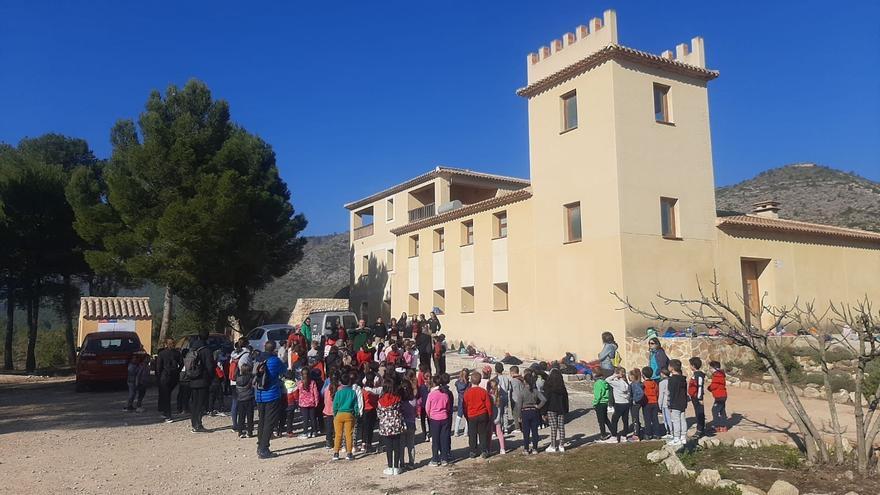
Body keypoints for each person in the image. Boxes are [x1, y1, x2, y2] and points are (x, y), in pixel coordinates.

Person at [254, 340, 285, 459]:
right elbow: (283, 370)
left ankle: (260, 444)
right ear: (274, 349)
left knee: (261, 420)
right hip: (272, 394)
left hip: (259, 394)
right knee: (269, 422)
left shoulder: (258, 359)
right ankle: (264, 448)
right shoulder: (274, 360)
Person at [187, 330, 216, 433]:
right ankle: (198, 425)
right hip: (203, 379)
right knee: (200, 403)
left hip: (193, 378)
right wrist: (212, 378)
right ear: (207, 337)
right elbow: (210, 366)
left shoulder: (192, 348)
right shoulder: (206, 350)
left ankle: (193, 423)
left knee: (194, 402)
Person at [377, 377, 405, 476]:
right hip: (396, 424)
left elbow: (379, 413)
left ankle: (390, 466)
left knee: (388, 446)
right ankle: (396, 467)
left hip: (385, 426)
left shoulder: (380, 400)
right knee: (397, 446)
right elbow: (401, 410)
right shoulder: (397, 398)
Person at [515, 370, 546, 454]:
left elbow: (519, 406)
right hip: (534, 411)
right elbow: (544, 399)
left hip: (525, 412)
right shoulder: (535, 391)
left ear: (524, 381)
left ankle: (526, 449)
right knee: (535, 431)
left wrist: (519, 416)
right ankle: (535, 448)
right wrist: (538, 406)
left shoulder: (522, 392)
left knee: (526, 432)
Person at [462, 370, 492, 458]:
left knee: (472, 434)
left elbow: (465, 406)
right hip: (482, 414)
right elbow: (488, 405)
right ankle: (484, 451)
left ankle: (473, 451)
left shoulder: (467, 392)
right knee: (482, 433)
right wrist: (489, 415)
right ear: (479, 381)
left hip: (472, 415)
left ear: (471, 380)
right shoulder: (483, 391)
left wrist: (466, 415)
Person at [425, 374, 452, 465]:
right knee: (444, 438)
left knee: (435, 439)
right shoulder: (445, 394)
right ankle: (444, 458)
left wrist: (430, 416)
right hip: (444, 417)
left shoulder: (431, 395)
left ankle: (435, 459)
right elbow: (448, 407)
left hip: (435, 419)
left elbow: (427, 408)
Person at [332, 373, 359, 461]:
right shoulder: (352, 393)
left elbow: (335, 405)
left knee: (338, 434)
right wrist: (356, 414)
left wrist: (335, 414)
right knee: (348, 434)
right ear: (349, 382)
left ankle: (336, 453)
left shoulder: (338, 393)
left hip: (339, 414)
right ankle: (349, 453)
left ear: (340, 382)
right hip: (349, 414)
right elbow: (355, 405)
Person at [155, 338, 182, 422]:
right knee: (168, 394)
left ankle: (167, 414)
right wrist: (178, 371)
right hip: (174, 376)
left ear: (166, 344)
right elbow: (181, 363)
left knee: (166, 396)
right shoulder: (177, 353)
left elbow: (158, 367)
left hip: (164, 376)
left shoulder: (162, 353)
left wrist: (158, 377)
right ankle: (165, 412)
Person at [543, 368, 569, 453]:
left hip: (551, 408)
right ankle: (561, 445)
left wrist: (543, 411)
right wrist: (566, 409)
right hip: (561, 409)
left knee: (553, 428)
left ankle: (553, 445)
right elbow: (565, 399)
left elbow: (546, 399)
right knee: (561, 427)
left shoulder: (548, 386)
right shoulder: (562, 387)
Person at [606, 366, 631, 443]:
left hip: (619, 403)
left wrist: (615, 375)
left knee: (614, 420)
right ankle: (624, 436)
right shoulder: (626, 383)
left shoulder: (617, 383)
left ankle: (614, 436)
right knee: (625, 420)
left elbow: (607, 380)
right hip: (626, 403)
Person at [667, 359, 689, 446]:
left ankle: (676, 438)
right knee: (682, 419)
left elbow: (671, 393)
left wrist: (670, 404)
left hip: (675, 403)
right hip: (682, 402)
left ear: (672, 368)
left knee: (675, 420)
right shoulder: (683, 379)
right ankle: (683, 436)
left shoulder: (672, 380)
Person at [297, 367, 320, 438]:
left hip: (303, 404)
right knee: (313, 418)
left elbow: (297, 392)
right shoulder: (312, 382)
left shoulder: (300, 383)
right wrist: (316, 401)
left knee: (305, 419)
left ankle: (305, 433)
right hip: (312, 402)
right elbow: (316, 393)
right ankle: (314, 432)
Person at [707, 360, 728, 432]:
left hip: (720, 396)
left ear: (714, 368)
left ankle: (716, 426)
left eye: (710, 368)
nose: (709, 370)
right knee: (722, 411)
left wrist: (709, 388)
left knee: (714, 410)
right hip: (722, 396)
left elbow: (714, 385)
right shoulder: (720, 374)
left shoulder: (717, 375)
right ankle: (723, 426)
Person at [688, 356, 707, 438]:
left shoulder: (699, 375)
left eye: (690, 365)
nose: (690, 366)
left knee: (700, 413)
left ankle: (700, 430)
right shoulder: (695, 374)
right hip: (693, 396)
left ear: (693, 365)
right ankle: (700, 428)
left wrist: (700, 398)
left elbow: (700, 386)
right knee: (697, 412)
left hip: (697, 397)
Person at [591, 370, 612, 441]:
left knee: (601, 421)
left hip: (599, 403)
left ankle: (603, 434)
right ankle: (613, 431)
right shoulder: (605, 383)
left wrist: (594, 403)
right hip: (605, 403)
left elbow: (598, 395)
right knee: (605, 419)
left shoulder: (597, 384)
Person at [487, 379, 507, 455]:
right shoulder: (498, 396)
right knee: (499, 433)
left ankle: (489, 449)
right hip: (497, 417)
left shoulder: (491, 396)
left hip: (491, 417)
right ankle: (502, 448)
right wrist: (498, 417)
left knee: (489, 434)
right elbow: (500, 409)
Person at [236, 362, 255, 438]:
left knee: (241, 416)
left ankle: (240, 431)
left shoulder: (238, 378)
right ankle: (249, 432)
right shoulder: (250, 378)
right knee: (250, 416)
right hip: (249, 398)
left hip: (240, 399)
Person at [642, 366, 661, 440]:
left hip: (647, 402)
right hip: (654, 402)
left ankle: (648, 434)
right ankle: (657, 433)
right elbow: (657, 392)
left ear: (643, 375)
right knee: (655, 418)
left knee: (647, 419)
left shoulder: (643, 384)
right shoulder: (655, 383)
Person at [322, 373, 338, 449]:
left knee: (329, 427)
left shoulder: (327, 388)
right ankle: (338, 442)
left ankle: (328, 442)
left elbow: (324, 396)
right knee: (337, 427)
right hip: (337, 411)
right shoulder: (340, 388)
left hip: (328, 410)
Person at [629, 368, 645, 441]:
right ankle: (639, 430)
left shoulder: (635, 384)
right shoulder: (637, 383)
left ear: (633, 376)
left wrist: (635, 400)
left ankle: (636, 435)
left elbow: (641, 393)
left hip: (635, 403)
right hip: (635, 402)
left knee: (635, 419)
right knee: (635, 418)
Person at [508, 365, 525, 434]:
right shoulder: (521, 379)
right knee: (520, 414)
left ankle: (517, 427)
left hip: (515, 399)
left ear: (512, 372)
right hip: (521, 398)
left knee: (515, 414)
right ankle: (522, 427)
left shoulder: (513, 381)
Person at [658, 368, 672, 439]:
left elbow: (661, 394)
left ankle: (669, 431)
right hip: (671, 401)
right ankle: (672, 431)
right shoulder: (671, 380)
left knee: (666, 418)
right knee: (671, 417)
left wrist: (659, 404)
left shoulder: (662, 383)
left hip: (664, 402)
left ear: (663, 374)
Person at [176, 348, 191, 415]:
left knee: (181, 395)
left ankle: (179, 408)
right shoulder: (187, 361)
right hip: (186, 379)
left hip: (181, 380)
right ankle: (185, 408)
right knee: (186, 395)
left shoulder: (179, 361)